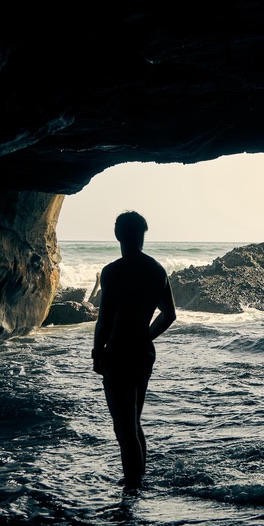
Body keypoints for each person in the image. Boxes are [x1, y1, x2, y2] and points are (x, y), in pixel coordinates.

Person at [92, 210, 177, 493]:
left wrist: (97, 352)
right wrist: (146, 335)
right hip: (143, 351)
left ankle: (132, 491)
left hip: (118, 352)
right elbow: (169, 314)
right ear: (142, 234)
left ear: (118, 234)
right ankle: (136, 480)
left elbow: (105, 319)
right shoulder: (156, 270)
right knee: (133, 423)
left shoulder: (113, 272)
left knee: (124, 428)